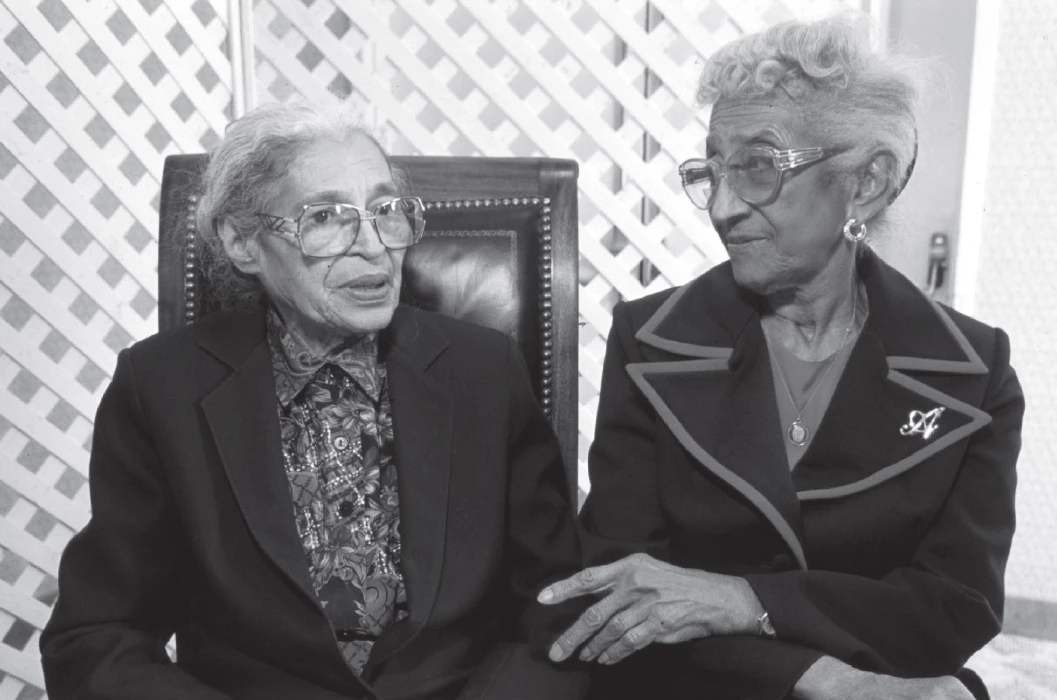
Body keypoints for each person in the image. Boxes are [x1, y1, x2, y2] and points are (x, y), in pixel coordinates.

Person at [539, 15, 1023, 700]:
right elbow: (625, 600)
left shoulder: (973, 371)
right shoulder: (649, 341)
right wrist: (822, 677)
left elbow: (955, 607)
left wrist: (745, 600)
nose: (722, 208)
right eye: (713, 171)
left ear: (866, 183)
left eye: (758, 167)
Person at [40, 102, 587, 700]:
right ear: (243, 242)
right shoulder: (162, 386)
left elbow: (557, 607)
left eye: (386, 211)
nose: (374, 246)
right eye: (326, 217)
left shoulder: (484, 371)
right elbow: (96, 637)